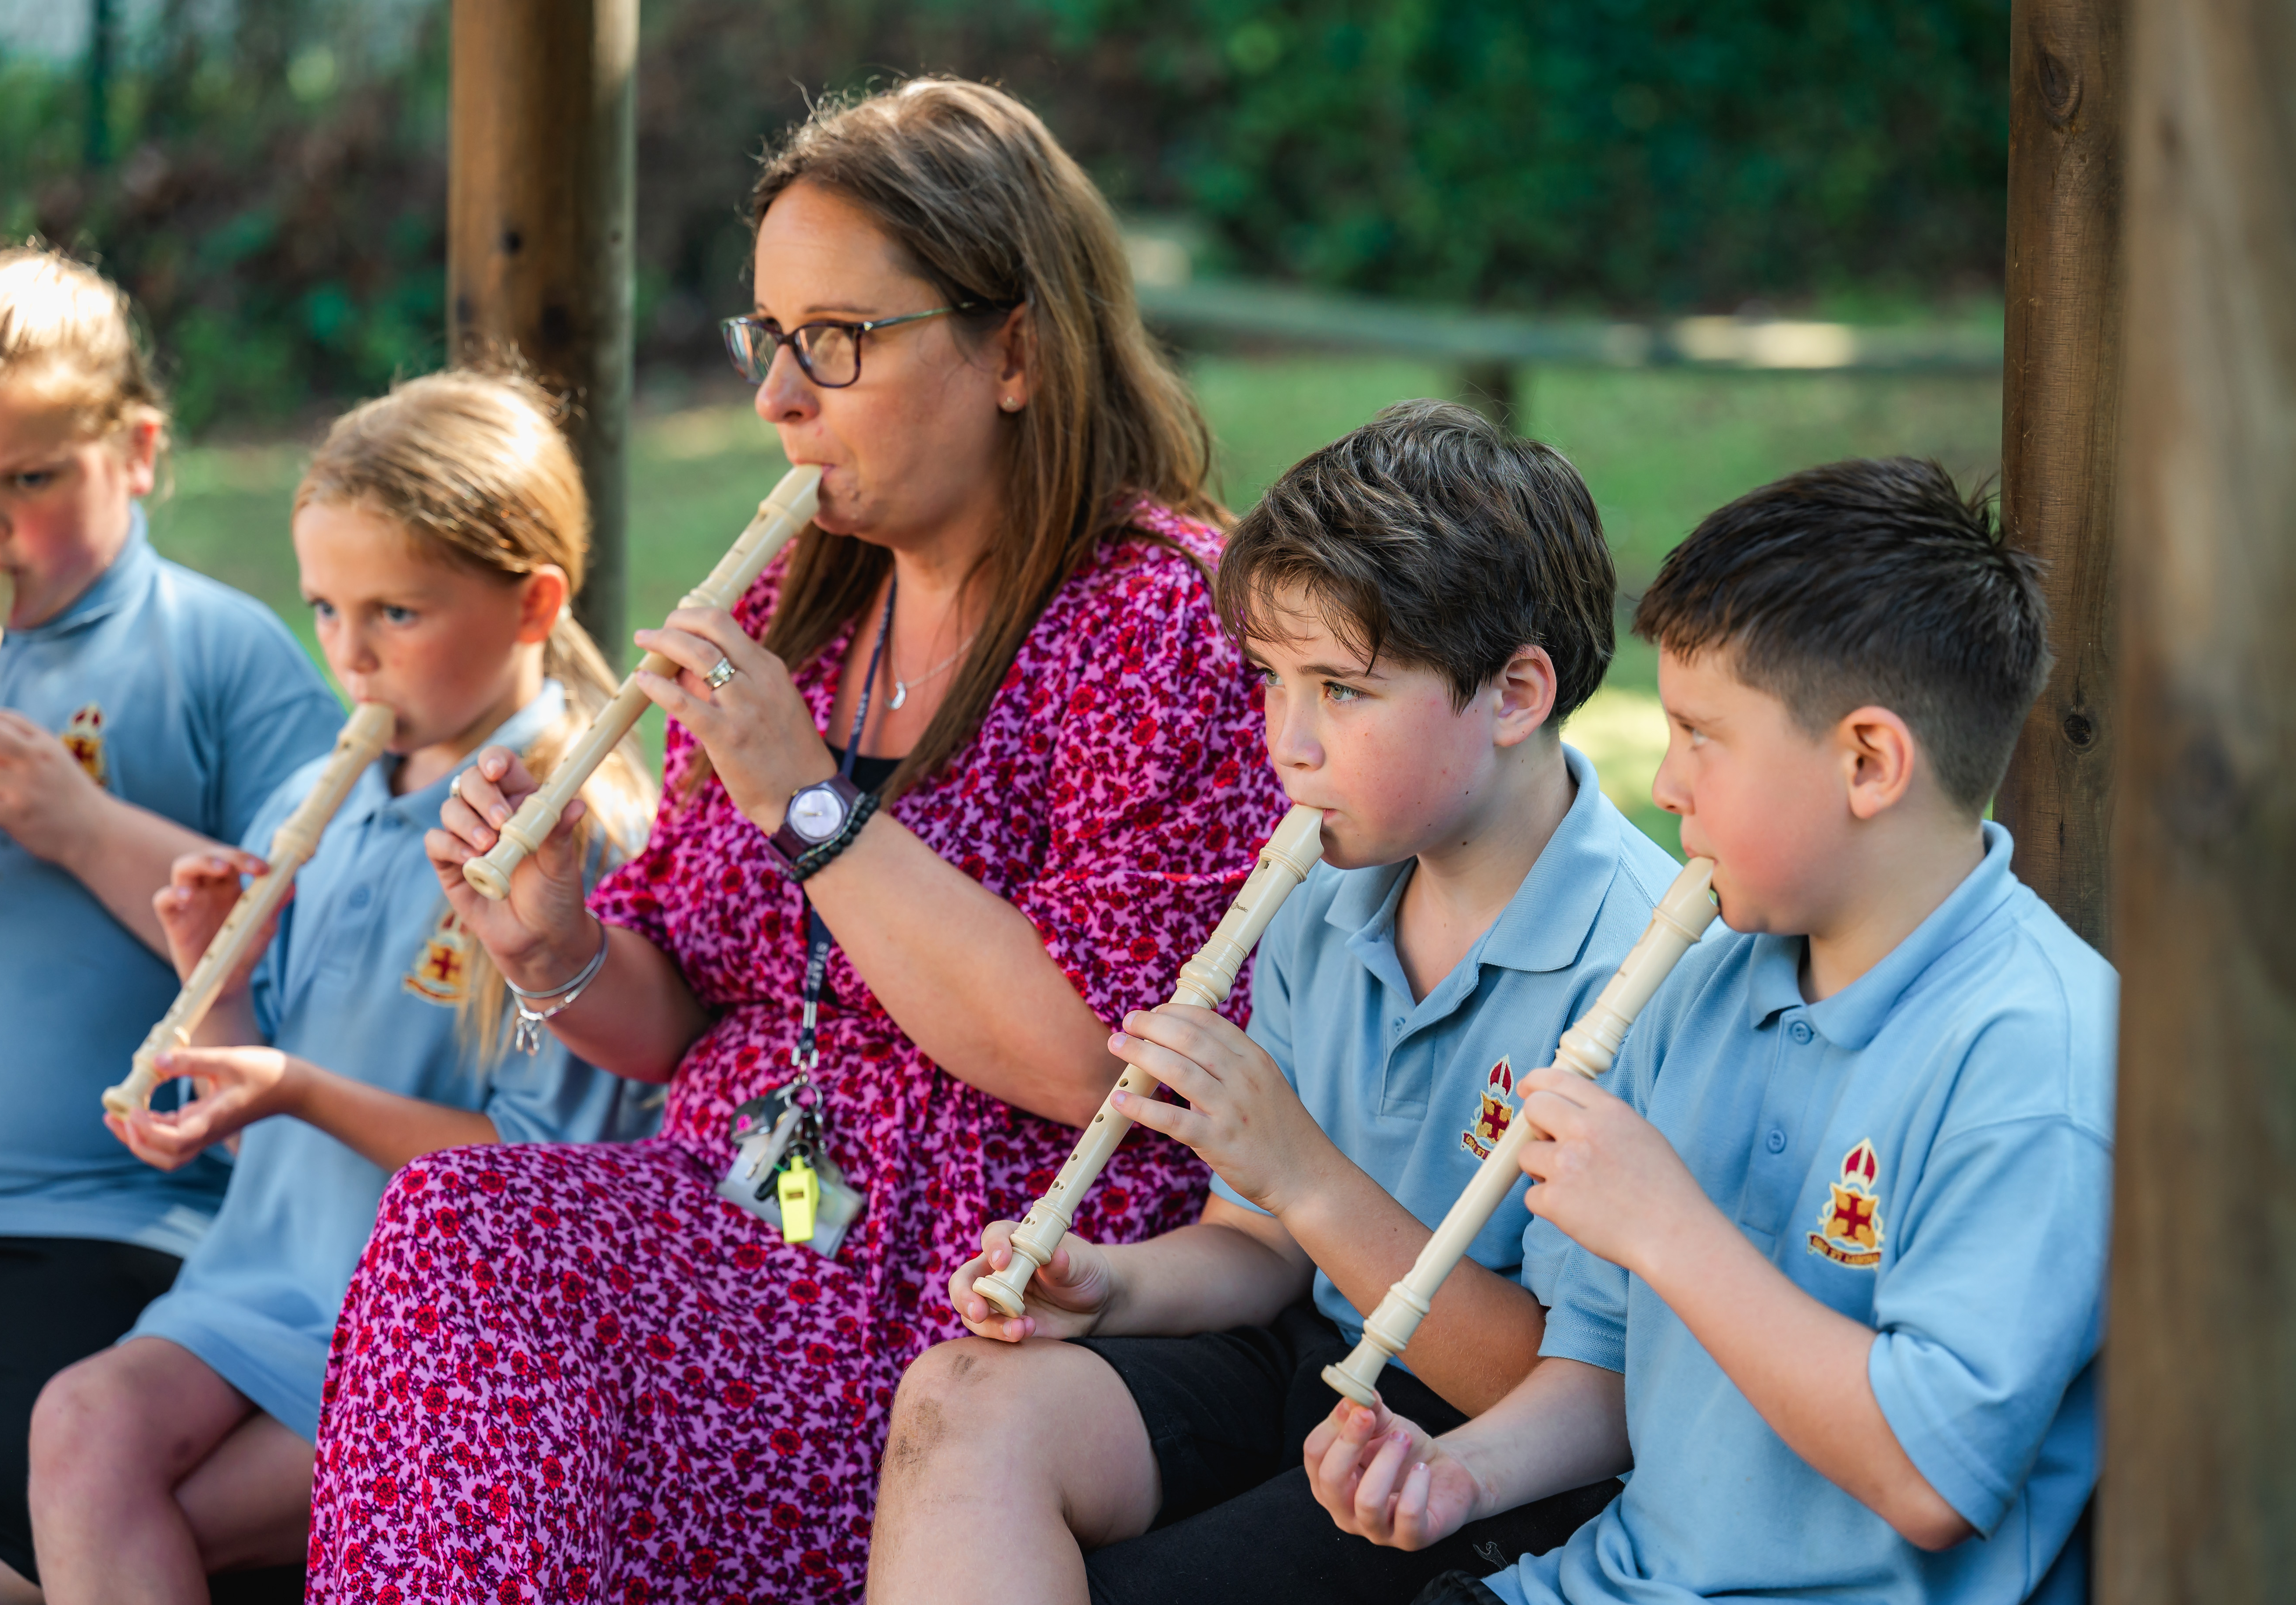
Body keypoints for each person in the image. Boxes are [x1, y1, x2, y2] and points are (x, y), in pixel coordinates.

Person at [301, 79, 1286, 1603]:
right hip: (749, 1221)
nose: (777, 398)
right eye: (768, 338)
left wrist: (812, 803)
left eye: (836, 339)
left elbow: (1100, 1058)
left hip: (986, 1277)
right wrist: (557, 943)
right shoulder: (803, 604)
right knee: (463, 1222)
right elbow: (678, 1010)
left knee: (484, 1258)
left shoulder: (1165, 623)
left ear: (1014, 346)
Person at [870, 400, 1684, 1605]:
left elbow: (1573, 1388)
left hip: (1474, 1442)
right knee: (958, 1399)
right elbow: (1258, 1244)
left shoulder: (1640, 964)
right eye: (1269, 680)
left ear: (1514, 694)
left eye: (1342, 691)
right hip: (1308, 1358)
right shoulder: (1323, 889)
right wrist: (1110, 1283)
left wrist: (1302, 1168)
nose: (1284, 744)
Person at [1307, 458, 2113, 1605]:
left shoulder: (2035, 1053)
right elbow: (1604, 1364)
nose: (1667, 781)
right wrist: (1456, 1473)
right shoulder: (1700, 981)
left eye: (1700, 734)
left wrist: (1667, 1225)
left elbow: (1933, 1476)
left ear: (1867, 762)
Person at [21, 372, 663, 1599]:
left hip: (439, 1340)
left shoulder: (571, 845)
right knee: (76, 1428)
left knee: (116, 1523)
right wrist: (217, 984)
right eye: (324, 608)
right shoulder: (312, 801)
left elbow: (531, 1174)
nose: (350, 658)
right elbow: (256, 1074)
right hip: (260, 1279)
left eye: (396, 615)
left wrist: (299, 1088)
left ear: (532, 604)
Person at [0, 250, 342, 1605]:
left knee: (44, 1503)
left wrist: (86, 828)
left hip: (101, 1207)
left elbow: (304, 922)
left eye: (31, 479)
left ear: (136, 453)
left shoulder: (221, 650)